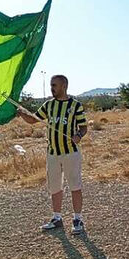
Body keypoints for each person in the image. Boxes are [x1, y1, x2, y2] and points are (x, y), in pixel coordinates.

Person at [15, 74, 88, 235]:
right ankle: (56, 218)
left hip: (70, 153)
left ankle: (77, 219)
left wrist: (79, 135)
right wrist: (20, 112)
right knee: (55, 187)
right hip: (53, 154)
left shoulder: (75, 105)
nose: (52, 88)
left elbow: (83, 127)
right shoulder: (49, 105)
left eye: (54, 85)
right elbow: (34, 120)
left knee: (75, 186)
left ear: (64, 86)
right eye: (51, 85)